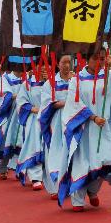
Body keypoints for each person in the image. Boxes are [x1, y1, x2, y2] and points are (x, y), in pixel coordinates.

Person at [58, 48, 111, 211]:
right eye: (96, 58)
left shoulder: (109, 75)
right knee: (83, 162)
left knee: (105, 161)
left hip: (105, 127)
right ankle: (78, 199)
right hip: (84, 128)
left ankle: (92, 190)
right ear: (87, 60)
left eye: (103, 58)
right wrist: (93, 117)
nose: (100, 61)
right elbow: (75, 105)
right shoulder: (77, 80)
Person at [39, 54, 73, 199]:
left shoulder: (76, 80)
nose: (66, 65)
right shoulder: (50, 83)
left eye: (69, 62)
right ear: (57, 64)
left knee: (71, 152)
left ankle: (71, 185)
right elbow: (47, 104)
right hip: (56, 123)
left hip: (72, 120)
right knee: (54, 151)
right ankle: (55, 186)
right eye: (63, 62)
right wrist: (66, 103)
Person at [15, 68, 46, 190]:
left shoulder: (54, 82)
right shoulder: (27, 84)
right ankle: (36, 177)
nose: (43, 69)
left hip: (50, 118)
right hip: (33, 119)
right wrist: (35, 109)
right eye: (40, 66)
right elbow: (21, 102)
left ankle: (48, 175)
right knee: (34, 145)